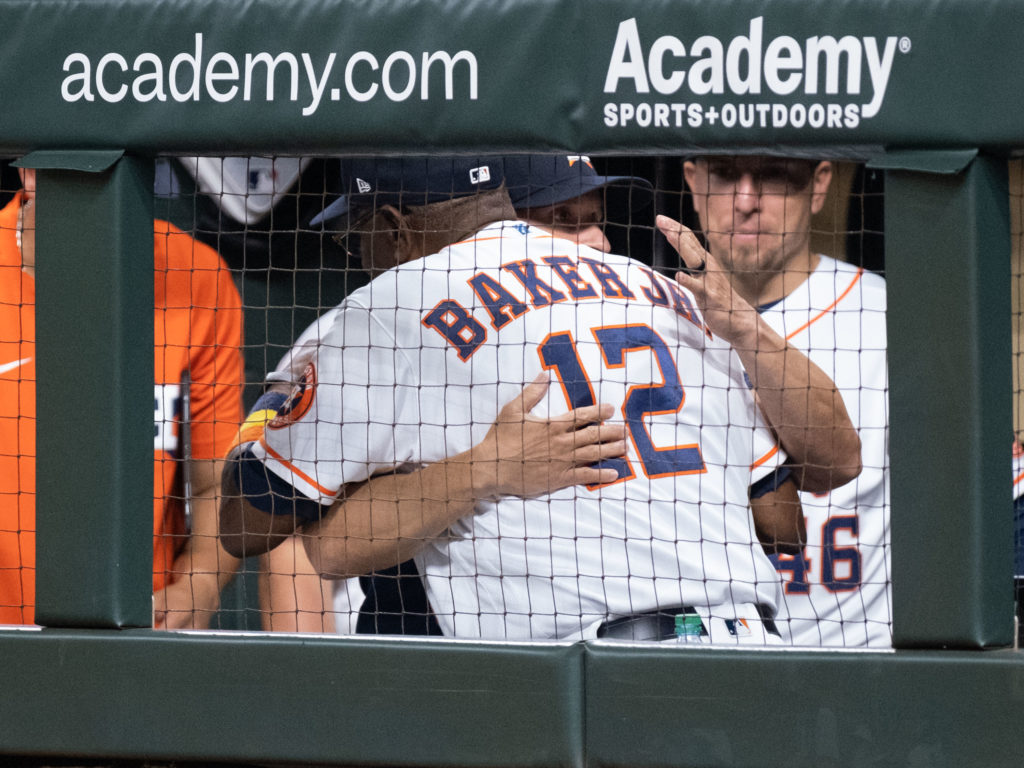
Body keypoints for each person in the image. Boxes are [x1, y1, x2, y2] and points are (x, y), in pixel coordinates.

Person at [220, 155, 860, 643]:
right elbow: (781, 522)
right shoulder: (670, 293)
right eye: (568, 217)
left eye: (354, 237)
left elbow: (247, 522)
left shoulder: (390, 304)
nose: (356, 254)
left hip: (573, 677)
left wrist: (475, 474)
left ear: (393, 230)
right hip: (746, 651)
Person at [262, 154, 656, 635]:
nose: (594, 241)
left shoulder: (639, 313)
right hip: (415, 623)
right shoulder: (359, 331)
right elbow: (287, 524)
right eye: (562, 220)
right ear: (506, 223)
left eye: (596, 221)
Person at [0, 166, 245, 629]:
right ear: (31, 172)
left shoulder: (196, 277)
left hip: (135, 637)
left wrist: (202, 582)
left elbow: (219, 484)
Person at [682, 154, 890, 648]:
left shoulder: (888, 320)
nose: (746, 202)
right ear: (692, 182)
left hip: (858, 660)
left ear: (819, 186)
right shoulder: (647, 317)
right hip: (707, 666)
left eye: (773, 176)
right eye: (726, 175)